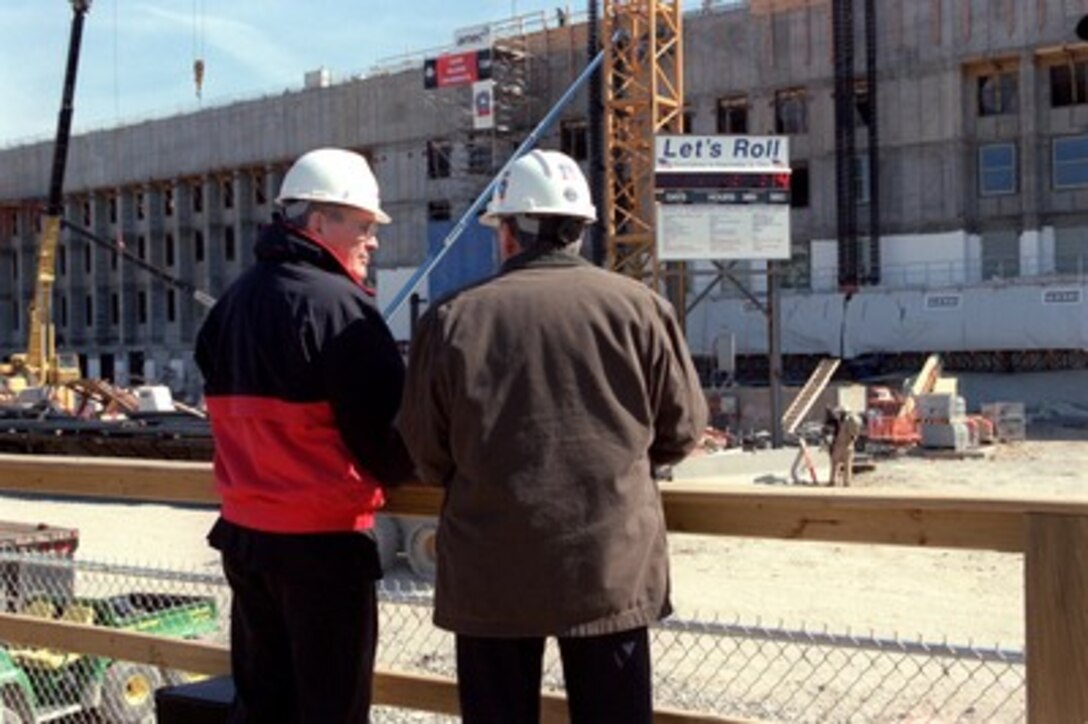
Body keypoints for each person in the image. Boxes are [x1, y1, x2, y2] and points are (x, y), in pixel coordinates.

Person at [397, 149, 709, 723]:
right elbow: (683, 430)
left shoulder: (451, 319)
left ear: (508, 234)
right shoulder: (642, 309)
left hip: (491, 571)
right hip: (608, 568)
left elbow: (427, 452)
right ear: (579, 233)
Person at [194, 147, 414, 722]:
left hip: (246, 538)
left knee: (263, 703)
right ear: (320, 223)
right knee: (331, 708)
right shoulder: (343, 309)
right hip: (322, 544)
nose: (374, 240)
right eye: (363, 226)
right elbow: (389, 438)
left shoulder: (234, 302)